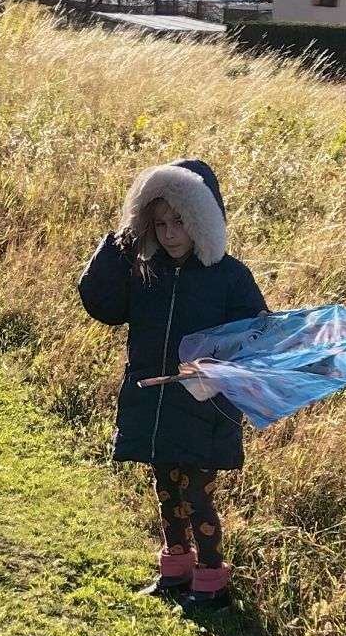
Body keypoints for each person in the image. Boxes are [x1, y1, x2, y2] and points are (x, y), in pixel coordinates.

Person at [76, 159, 267, 612]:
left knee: (198, 497)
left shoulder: (229, 276)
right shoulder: (145, 271)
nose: (169, 233)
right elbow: (102, 304)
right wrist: (119, 244)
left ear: (203, 220)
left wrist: (216, 364)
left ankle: (212, 581)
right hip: (156, 401)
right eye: (159, 223)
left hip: (204, 407)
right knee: (166, 491)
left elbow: (255, 334)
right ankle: (175, 571)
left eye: (180, 221)